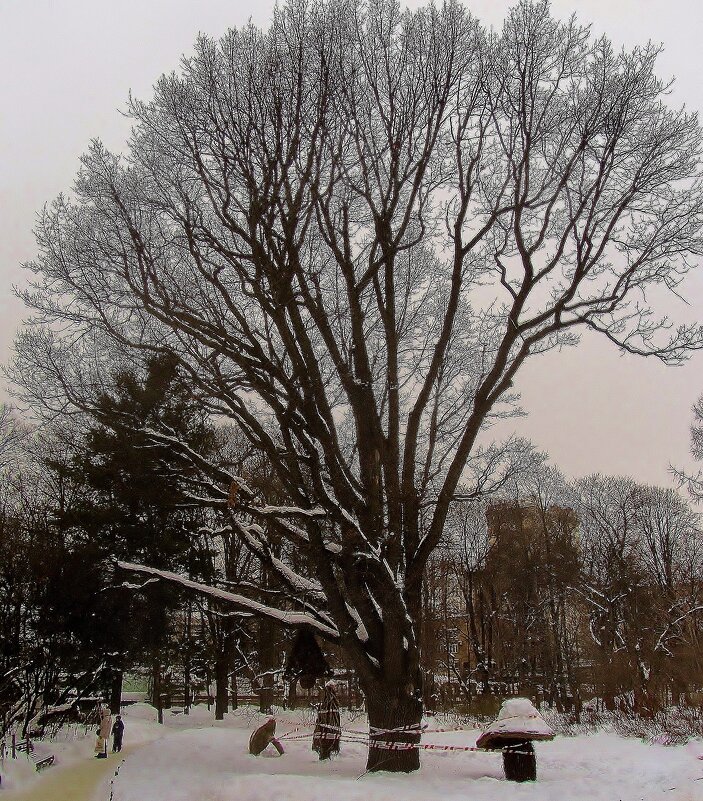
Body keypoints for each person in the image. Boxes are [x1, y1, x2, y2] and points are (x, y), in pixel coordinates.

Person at [312, 680, 340, 760]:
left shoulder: (329, 698)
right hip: (327, 727)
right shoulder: (328, 698)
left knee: (326, 742)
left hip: (327, 726)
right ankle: (324, 757)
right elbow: (327, 712)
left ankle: (325, 756)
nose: (335, 689)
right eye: (334, 687)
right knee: (326, 743)